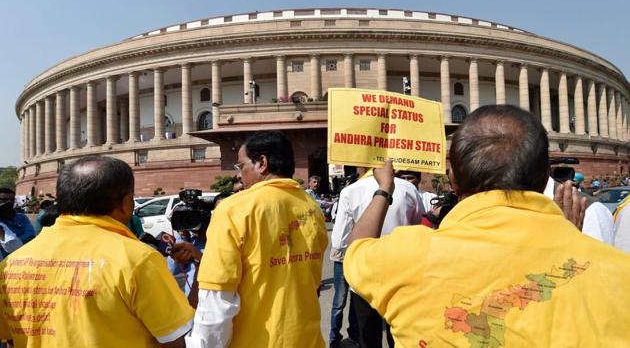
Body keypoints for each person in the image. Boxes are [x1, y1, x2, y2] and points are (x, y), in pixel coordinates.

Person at [343, 105, 630, 347]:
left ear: (453, 179)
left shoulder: (405, 256)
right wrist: (572, 246)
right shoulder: (618, 273)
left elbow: (356, 247)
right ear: (545, 178)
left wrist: (384, 189)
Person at [0, 156, 194, 347]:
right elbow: (172, 339)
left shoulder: (12, 264)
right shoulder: (137, 259)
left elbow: (10, 339)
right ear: (127, 204)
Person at [186, 130, 328, 348]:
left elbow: (216, 302)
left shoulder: (234, 209)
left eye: (241, 166)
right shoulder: (311, 207)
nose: (239, 175)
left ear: (262, 163)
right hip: (307, 340)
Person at [331, 166, 423, 348]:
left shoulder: (350, 191)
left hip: (364, 278)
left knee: (368, 337)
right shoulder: (408, 188)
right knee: (398, 336)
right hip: (401, 276)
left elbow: (339, 241)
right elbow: (417, 226)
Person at [0, 187, 35, 255]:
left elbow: (30, 235)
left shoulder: (22, 217)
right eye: (4, 200)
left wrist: (15, 242)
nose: (9, 202)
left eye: (12, 200)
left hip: (20, 257)